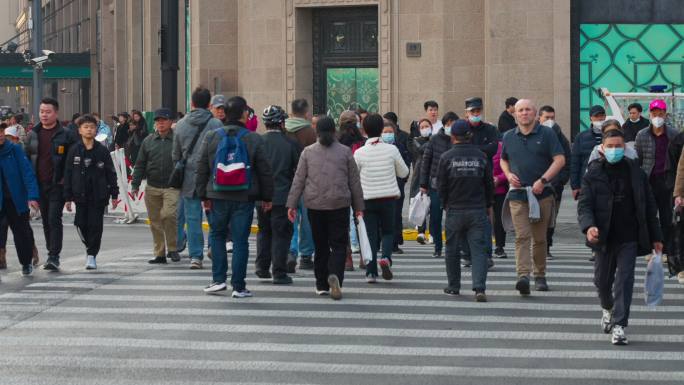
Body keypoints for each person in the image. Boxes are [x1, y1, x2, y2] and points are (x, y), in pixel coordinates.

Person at [578, 129, 662, 345]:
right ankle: (607, 308)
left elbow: (649, 205)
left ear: (625, 148)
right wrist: (589, 227)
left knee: (624, 281)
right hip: (603, 237)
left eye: (619, 146)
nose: (615, 150)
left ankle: (619, 325)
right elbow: (585, 205)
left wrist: (656, 236)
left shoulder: (636, 172)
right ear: (602, 149)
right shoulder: (592, 174)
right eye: (610, 146)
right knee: (602, 282)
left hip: (629, 236)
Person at [196, 96, 273, 298]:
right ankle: (238, 286)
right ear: (243, 115)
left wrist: (202, 194)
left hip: (216, 195)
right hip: (244, 197)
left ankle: (218, 280)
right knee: (240, 241)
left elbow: (202, 167)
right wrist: (267, 197)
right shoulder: (254, 138)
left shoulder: (212, 136)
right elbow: (265, 171)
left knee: (217, 236)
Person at [287, 116, 364, 300]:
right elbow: (354, 182)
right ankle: (335, 275)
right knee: (338, 245)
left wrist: (292, 204)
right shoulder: (345, 152)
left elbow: (299, 180)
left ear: (317, 132)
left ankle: (321, 284)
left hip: (314, 205)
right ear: (334, 131)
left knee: (320, 246)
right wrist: (359, 206)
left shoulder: (307, 152)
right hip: (339, 205)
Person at [500, 99, 565, 295]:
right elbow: (503, 159)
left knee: (539, 238)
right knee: (522, 237)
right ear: (515, 114)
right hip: (518, 195)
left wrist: (543, 180)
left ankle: (540, 274)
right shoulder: (508, 136)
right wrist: (508, 174)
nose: (524, 113)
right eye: (520, 110)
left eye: (528, 109)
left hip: (541, 194)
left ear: (535, 113)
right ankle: (523, 276)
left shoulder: (547, 134)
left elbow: (560, 159)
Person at [438, 120, 493, 301]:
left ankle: (453, 286)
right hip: (477, 210)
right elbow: (488, 184)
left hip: (454, 209)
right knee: (479, 250)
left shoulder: (446, 157)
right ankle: (479, 288)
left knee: (452, 249)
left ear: (453, 137)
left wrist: (445, 204)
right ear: (470, 135)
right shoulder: (481, 156)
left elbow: (441, 186)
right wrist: (488, 205)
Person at [172, 87, 224, 269]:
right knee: (215, 214)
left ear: (192, 103)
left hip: (189, 177)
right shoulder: (217, 125)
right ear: (209, 104)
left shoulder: (180, 125)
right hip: (212, 177)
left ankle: (196, 256)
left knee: (192, 217)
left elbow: (175, 155)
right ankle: (213, 246)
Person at [25, 97, 77, 272]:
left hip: (57, 184)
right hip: (38, 184)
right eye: (41, 112)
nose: (44, 115)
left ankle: (54, 256)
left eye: (48, 112)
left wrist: (66, 182)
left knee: (54, 218)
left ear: (56, 113)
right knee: (46, 220)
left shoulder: (66, 135)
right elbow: (27, 161)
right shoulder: (32, 134)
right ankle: (50, 252)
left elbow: (72, 162)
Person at [355, 114, 408, 282]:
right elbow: (404, 172)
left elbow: (354, 177)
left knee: (371, 235)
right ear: (381, 130)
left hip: (368, 198)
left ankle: (371, 273)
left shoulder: (360, 153)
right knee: (387, 231)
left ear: (364, 130)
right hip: (388, 197)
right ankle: (385, 257)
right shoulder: (392, 150)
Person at [63, 115, 119, 270]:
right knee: (80, 224)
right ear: (80, 130)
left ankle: (91, 254)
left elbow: (110, 173)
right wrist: (67, 197)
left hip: (98, 195)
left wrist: (115, 194)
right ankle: (89, 247)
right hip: (79, 195)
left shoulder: (102, 151)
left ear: (96, 130)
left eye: (92, 127)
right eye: (86, 127)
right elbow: (68, 174)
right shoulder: (74, 150)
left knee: (95, 225)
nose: (89, 130)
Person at [255, 105, 300, 284]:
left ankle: (262, 267)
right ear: (282, 123)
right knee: (281, 234)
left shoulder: (257, 141)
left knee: (264, 231)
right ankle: (279, 272)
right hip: (283, 196)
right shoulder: (291, 144)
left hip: (261, 197)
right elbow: (298, 171)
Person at [131, 108, 180, 264]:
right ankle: (160, 253)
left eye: (164, 120)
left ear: (170, 122)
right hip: (152, 186)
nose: (160, 123)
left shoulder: (177, 140)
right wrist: (135, 184)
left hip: (172, 187)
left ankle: (173, 248)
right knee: (155, 221)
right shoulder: (148, 141)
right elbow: (140, 164)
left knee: (169, 215)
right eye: (158, 121)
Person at [635, 99, 678, 257]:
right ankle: (650, 248)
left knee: (667, 217)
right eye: (654, 113)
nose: (657, 116)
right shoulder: (642, 135)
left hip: (667, 181)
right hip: (649, 180)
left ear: (665, 115)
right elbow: (637, 160)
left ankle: (666, 249)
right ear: (650, 114)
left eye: (660, 113)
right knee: (648, 216)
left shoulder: (674, 135)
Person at [0, 122, 40, 276]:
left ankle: (26, 262)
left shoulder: (15, 149)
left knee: (21, 233)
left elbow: (27, 172)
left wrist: (32, 196)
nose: (1, 134)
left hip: (15, 199)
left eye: (2, 131)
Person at [463, 97, 498, 267]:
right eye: (472, 112)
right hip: (465, 180)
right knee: (465, 220)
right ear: (466, 113)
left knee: (485, 218)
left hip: (485, 178)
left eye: (478, 111)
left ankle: (487, 254)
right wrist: (479, 151)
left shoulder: (490, 129)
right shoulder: (462, 129)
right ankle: (468, 254)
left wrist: (472, 151)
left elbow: (492, 149)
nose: (475, 114)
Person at [285, 98, 317, 271]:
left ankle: (291, 251)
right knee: (307, 220)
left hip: (287, 181)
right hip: (306, 181)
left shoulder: (283, 129)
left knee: (290, 217)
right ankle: (306, 255)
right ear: (306, 113)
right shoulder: (310, 132)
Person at [419, 112, 456, 258]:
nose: (451, 128)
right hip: (436, 184)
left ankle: (452, 247)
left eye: (453, 125)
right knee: (435, 217)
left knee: (453, 217)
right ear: (444, 125)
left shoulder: (459, 140)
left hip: (454, 184)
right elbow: (425, 162)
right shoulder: (434, 140)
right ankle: (438, 247)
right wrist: (423, 184)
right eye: (448, 125)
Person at [538, 105, 572, 260]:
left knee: (551, 218)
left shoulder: (560, 136)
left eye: (552, 117)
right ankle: (537, 245)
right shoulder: (534, 134)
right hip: (536, 185)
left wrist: (560, 180)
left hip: (554, 186)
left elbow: (568, 160)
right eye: (547, 118)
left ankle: (546, 246)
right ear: (540, 118)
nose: (550, 121)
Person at [382, 116, 411, 254]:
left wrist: (403, 179)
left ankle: (394, 243)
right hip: (382, 186)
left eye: (390, 132)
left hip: (396, 185)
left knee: (396, 214)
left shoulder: (399, 146)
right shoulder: (378, 147)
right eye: (385, 132)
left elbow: (405, 164)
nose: (388, 134)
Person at [571, 105, 606, 201]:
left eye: (602, 115)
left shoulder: (611, 134)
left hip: (607, 181)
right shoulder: (581, 137)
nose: (599, 118)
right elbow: (575, 162)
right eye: (596, 116)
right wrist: (575, 186)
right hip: (587, 181)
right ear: (591, 118)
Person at [409, 118, 432, 244]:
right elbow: (420, 149)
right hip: (420, 174)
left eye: (427, 126)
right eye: (422, 127)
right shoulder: (416, 140)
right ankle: (421, 232)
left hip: (433, 174)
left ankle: (433, 233)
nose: (424, 128)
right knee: (421, 203)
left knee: (433, 205)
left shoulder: (435, 140)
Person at [492, 140, 508, 259]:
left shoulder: (502, 148)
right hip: (481, 190)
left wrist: (499, 179)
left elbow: (508, 168)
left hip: (499, 189)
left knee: (499, 219)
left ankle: (500, 246)